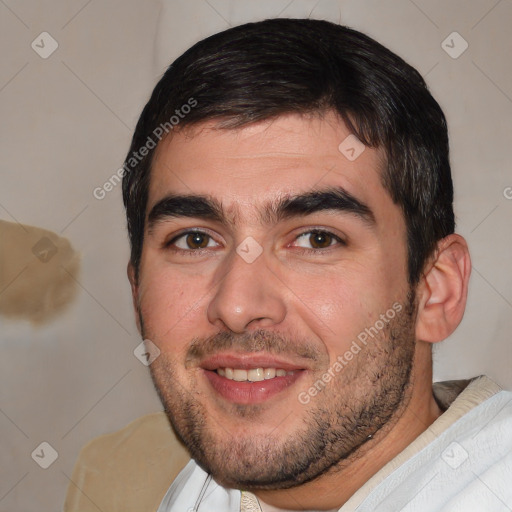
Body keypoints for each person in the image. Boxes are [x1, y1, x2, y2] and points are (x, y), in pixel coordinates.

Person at [65, 18, 512, 512]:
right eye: (195, 240)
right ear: (136, 288)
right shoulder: (194, 491)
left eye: (316, 239)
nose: (236, 305)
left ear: (435, 290)